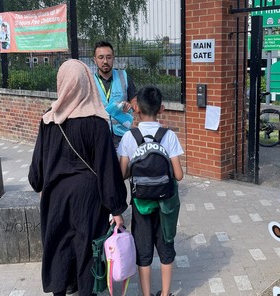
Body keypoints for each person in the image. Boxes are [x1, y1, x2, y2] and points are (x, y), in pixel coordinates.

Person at [28, 59, 128, 296]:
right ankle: (86, 291)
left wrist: (39, 182)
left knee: (58, 243)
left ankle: (61, 289)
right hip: (89, 198)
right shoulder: (97, 122)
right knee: (88, 247)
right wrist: (116, 209)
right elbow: (106, 168)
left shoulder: (49, 121)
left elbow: (36, 173)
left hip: (56, 196)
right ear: (86, 84)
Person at [117, 86, 184, 296]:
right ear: (161, 109)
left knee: (143, 252)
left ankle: (146, 294)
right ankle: (165, 293)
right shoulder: (169, 135)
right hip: (166, 205)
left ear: (136, 109)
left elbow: (122, 174)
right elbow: (179, 175)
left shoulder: (130, 137)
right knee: (166, 249)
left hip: (140, 204)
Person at [93, 41, 137, 147]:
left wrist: (131, 106)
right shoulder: (90, 81)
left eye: (108, 57)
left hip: (123, 135)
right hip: (99, 135)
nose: (105, 61)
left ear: (113, 58)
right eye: (101, 57)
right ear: (95, 60)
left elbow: (135, 101)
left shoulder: (124, 76)